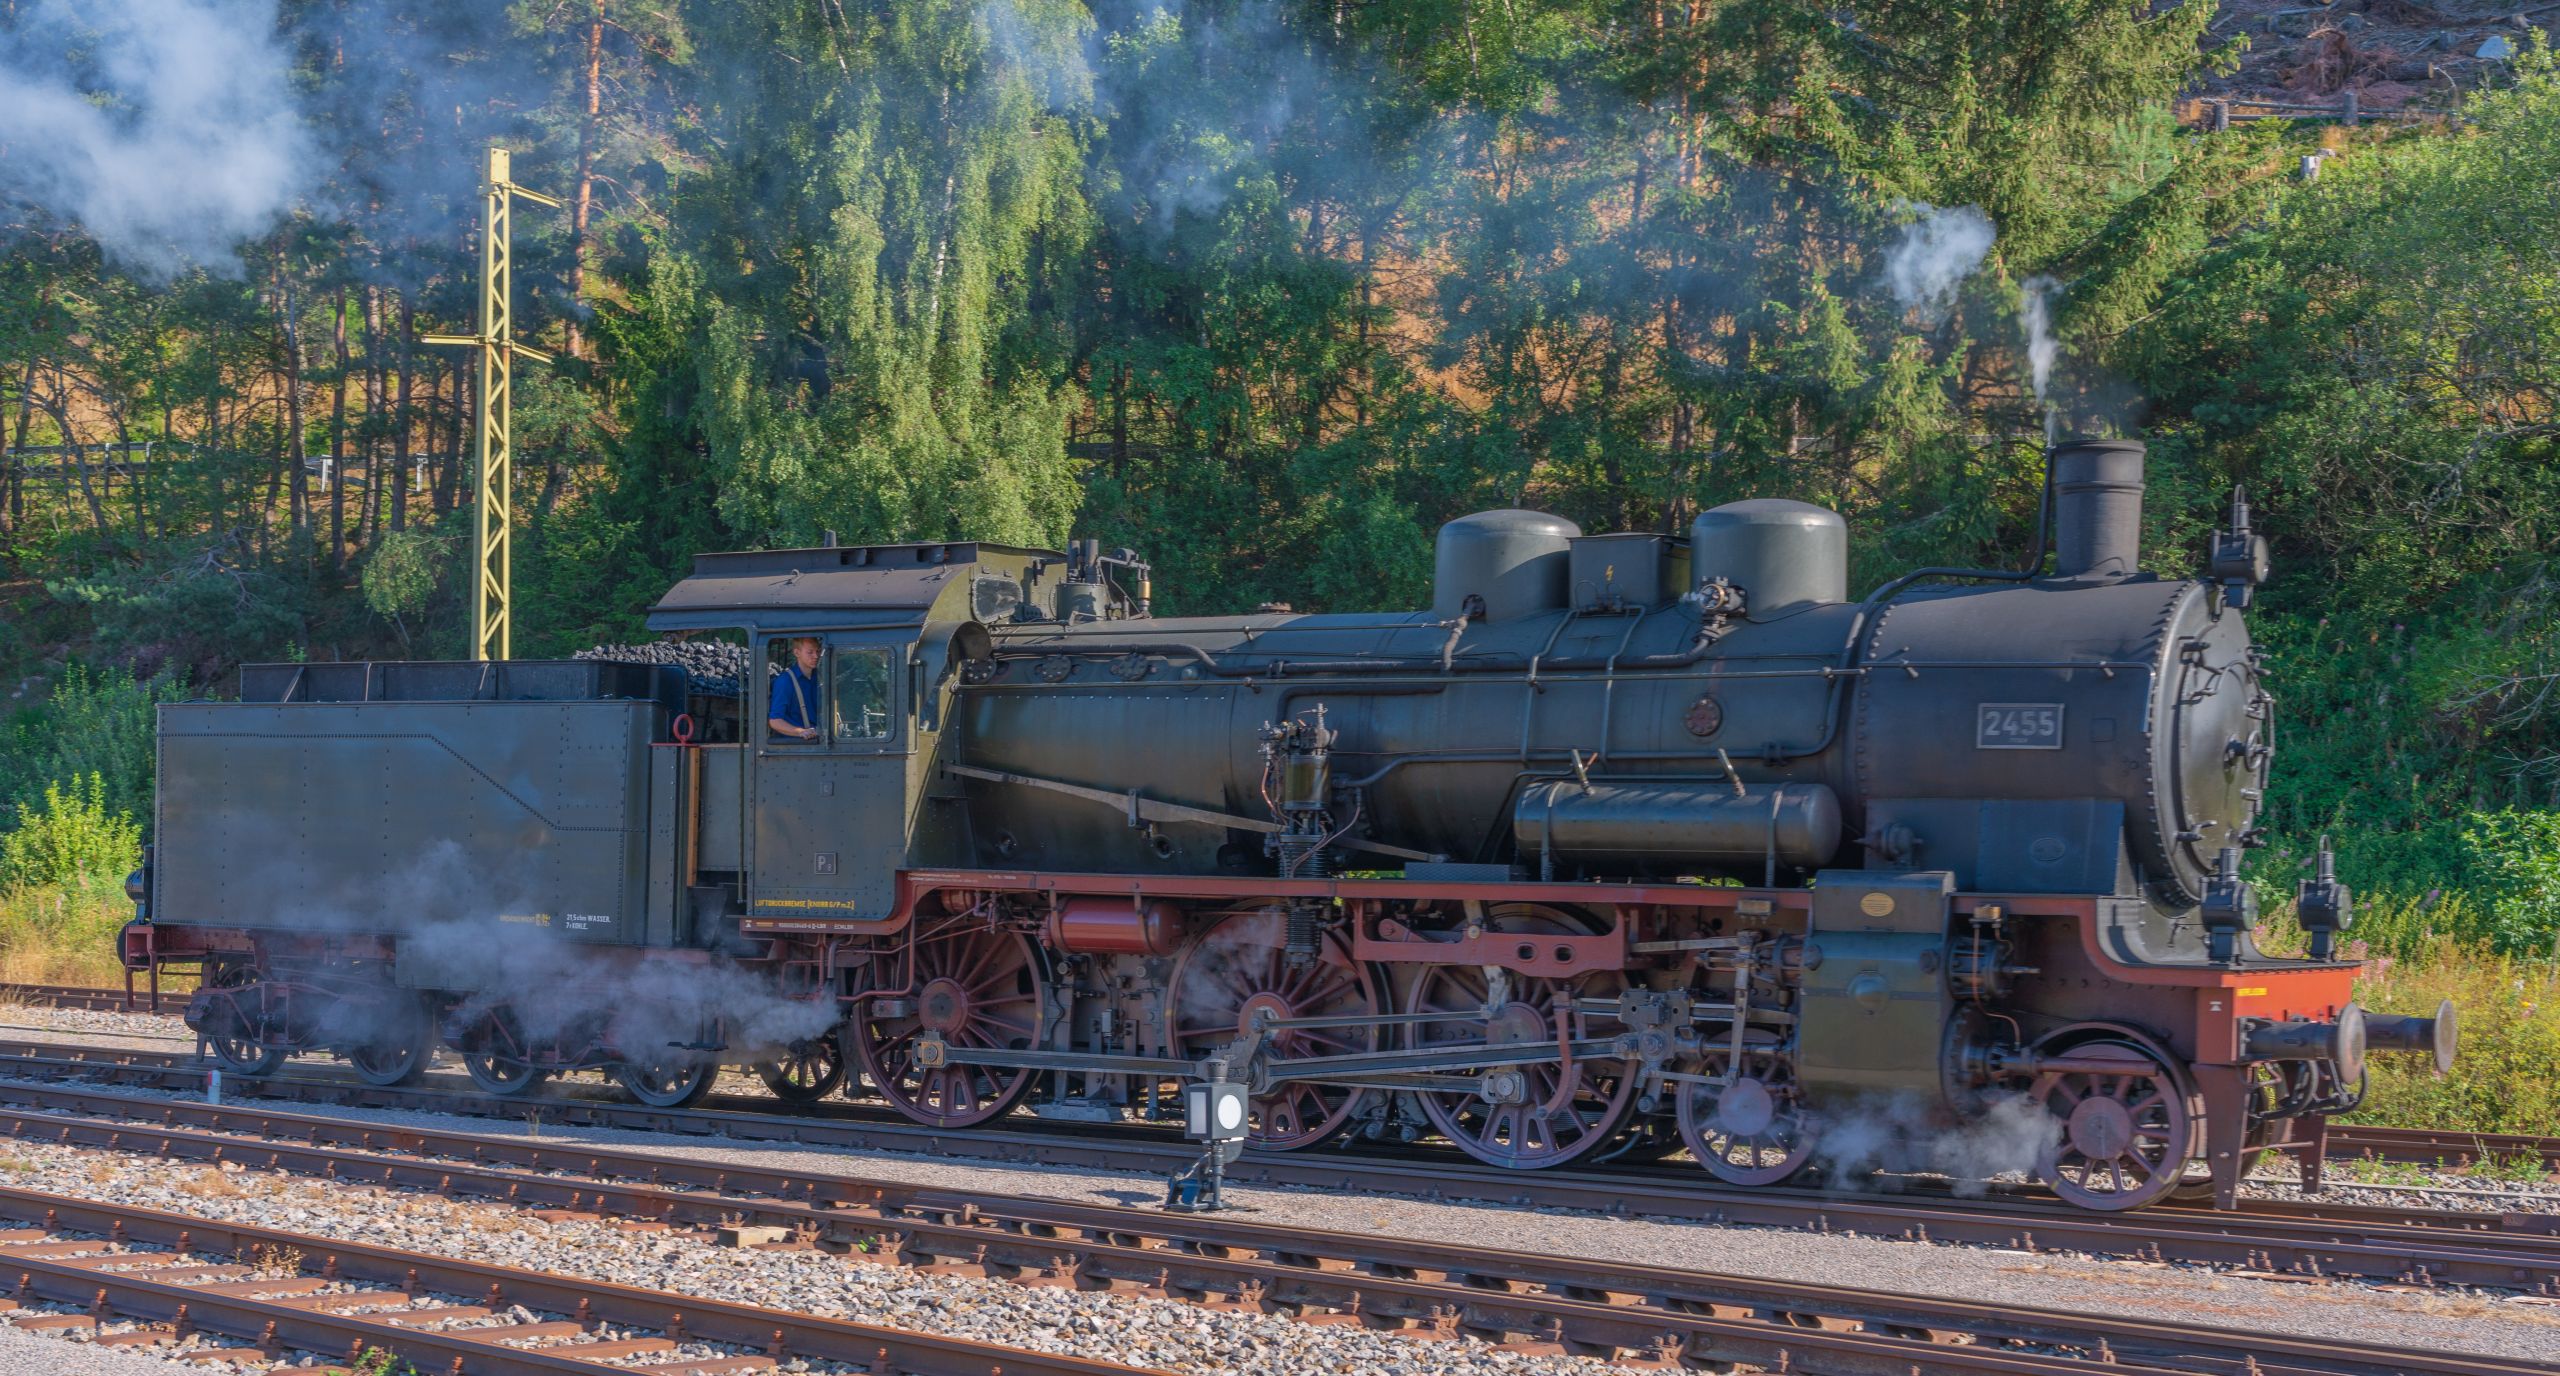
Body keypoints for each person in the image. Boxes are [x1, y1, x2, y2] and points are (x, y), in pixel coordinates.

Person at [767, 636, 823, 742]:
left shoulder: (820, 677)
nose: (816, 656)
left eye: (818, 651)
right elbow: (775, 721)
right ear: (797, 653)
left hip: (818, 741)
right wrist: (801, 732)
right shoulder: (785, 681)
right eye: (810, 652)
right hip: (796, 745)